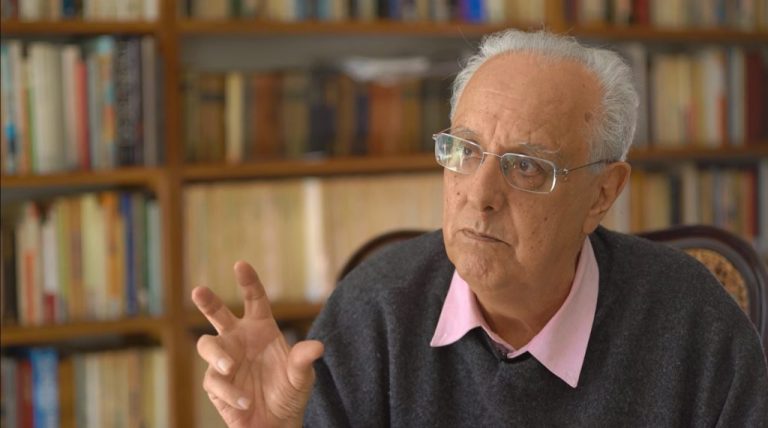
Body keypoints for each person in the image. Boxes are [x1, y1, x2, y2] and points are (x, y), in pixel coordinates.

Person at [192, 29, 768, 427]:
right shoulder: (374, 311)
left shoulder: (695, 324)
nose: (480, 195)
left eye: (527, 166)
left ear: (602, 194)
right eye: (465, 151)